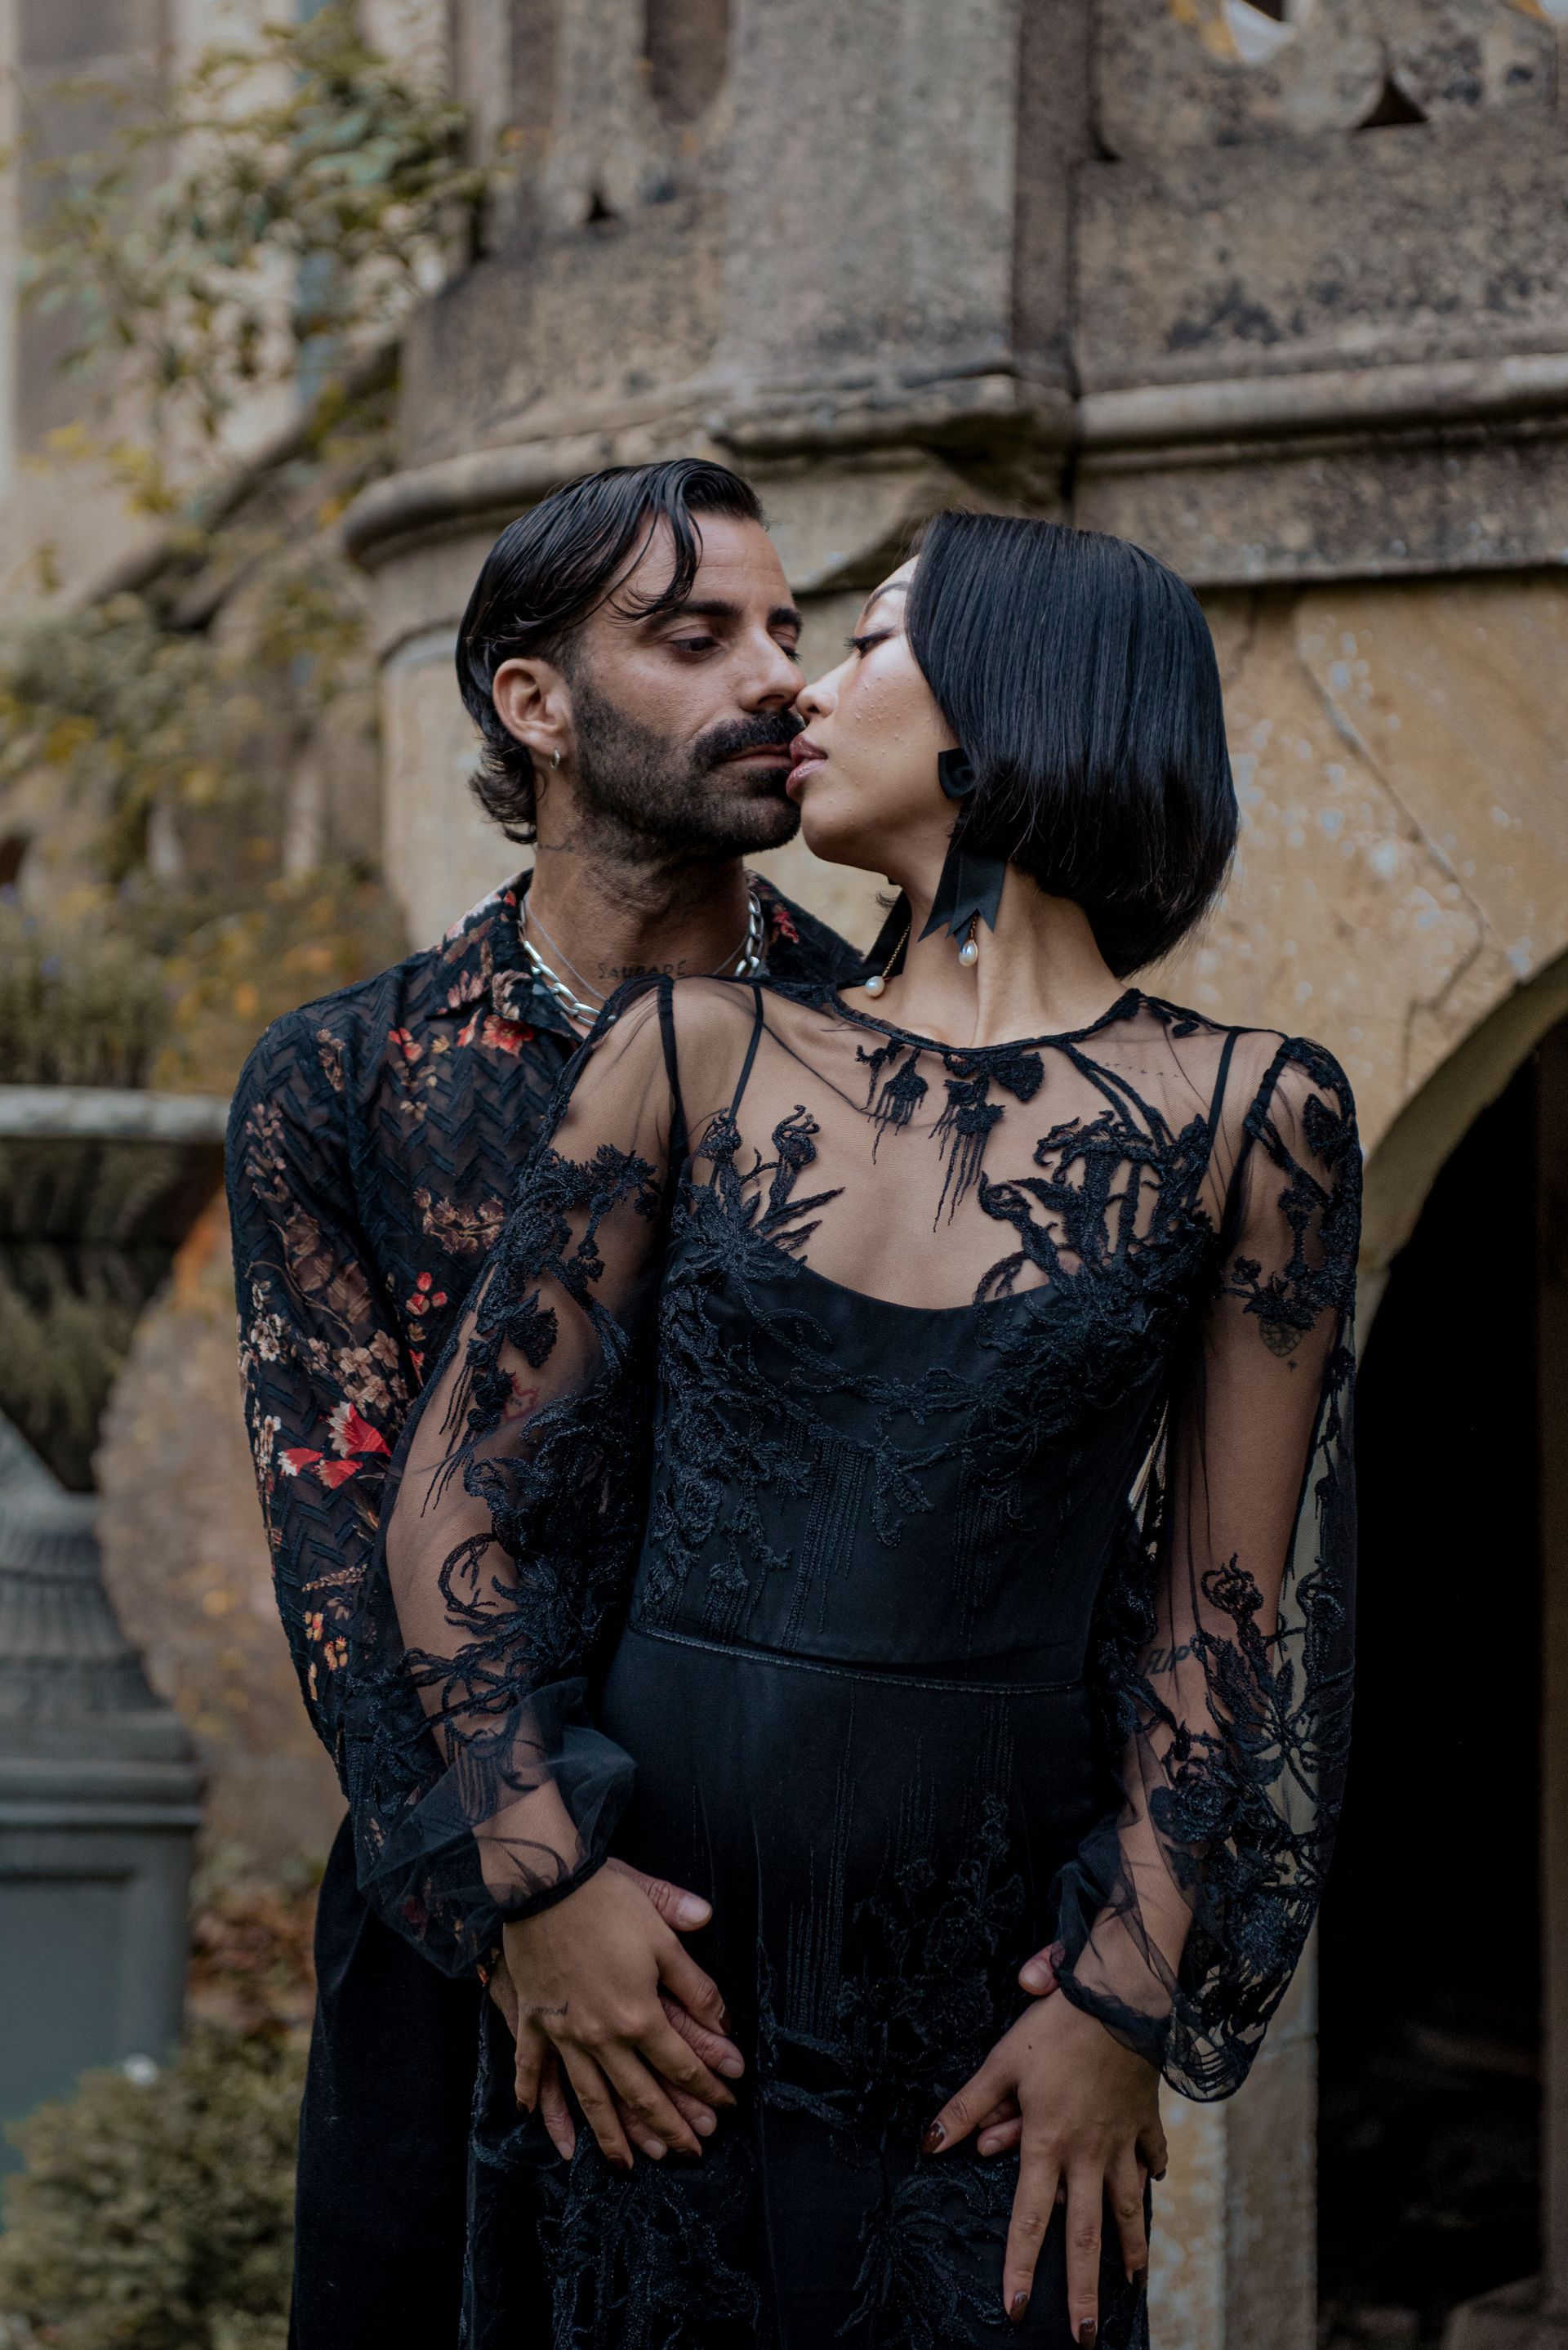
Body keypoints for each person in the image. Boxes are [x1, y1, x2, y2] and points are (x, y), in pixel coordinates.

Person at [345, 513, 1361, 2349]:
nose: (809, 686)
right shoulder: (687, 1053)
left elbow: (1222, 1608)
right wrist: (543, 1874)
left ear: (1017, 697)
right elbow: (450, 1508)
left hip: (990, 2004)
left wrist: (1118, 2003)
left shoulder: (1250, 1118)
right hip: (658, 1975)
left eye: (876, 640)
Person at [225, 457, 866, 2348]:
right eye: (696, 636)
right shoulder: (338, 1080)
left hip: (820, 1903)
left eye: (788, 632)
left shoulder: (905, 1044)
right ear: (534, 700)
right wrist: (529, 1888)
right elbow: (340, 1569)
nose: (779, 680)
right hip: (457, 1923)